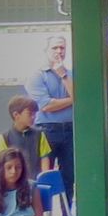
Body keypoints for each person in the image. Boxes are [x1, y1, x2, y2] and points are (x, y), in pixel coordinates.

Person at [25, 35, 75, 204]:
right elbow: (46, 105)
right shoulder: (37, 76)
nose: (59, 51)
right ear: (46, 50)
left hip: (70, 128)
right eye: (55, 48)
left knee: (69, 174)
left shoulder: (70, 74)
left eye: (62, 48)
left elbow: (80, 96)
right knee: (42, 174)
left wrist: (63, 76)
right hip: (46, 129)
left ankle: (67, 214)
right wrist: (73, 100)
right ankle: (41, 214)